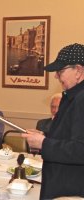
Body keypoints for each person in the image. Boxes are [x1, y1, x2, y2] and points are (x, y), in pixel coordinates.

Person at [22, 43, 84, 199]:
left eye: (60, 71)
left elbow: (80, 149)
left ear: (78, 70)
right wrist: (44, 136)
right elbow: (68, 135)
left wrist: (44, 143)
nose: (56, 76)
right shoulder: (71, 95)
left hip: (70, 189)